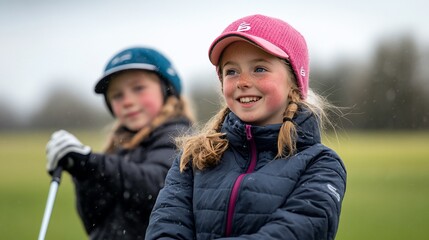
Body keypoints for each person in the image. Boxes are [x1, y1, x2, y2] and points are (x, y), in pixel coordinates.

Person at [145, 14, 347, 240]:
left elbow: (295, 232)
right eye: (231, 71)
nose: (242, 82)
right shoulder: (194, 157)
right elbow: (165, 229)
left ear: (294, 81)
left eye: (259, 68)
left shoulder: (321, 164)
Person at [45, 46, 194, 240]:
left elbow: (157, 187)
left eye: (138, 88)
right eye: (117, 95)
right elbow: (93, 222)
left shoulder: (179, 136)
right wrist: (82, 172)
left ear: (167, 89)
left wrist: (92, 163)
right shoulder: (117, 149)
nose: (127, 101)